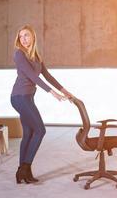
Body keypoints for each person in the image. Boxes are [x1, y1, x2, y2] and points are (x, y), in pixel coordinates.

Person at [11, 25, 73, 184]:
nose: (23, 39)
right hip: (19, 98)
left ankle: (23, 173)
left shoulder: (36, 55)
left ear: (33, 37)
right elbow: (33, 77)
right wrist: (53, 93)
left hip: (28, 98)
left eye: (26, 36)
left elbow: (47, 75)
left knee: (28, 133)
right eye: (21, 36)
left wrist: (65, 90)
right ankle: (24, 168)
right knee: (40, 130)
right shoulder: (19, 54)